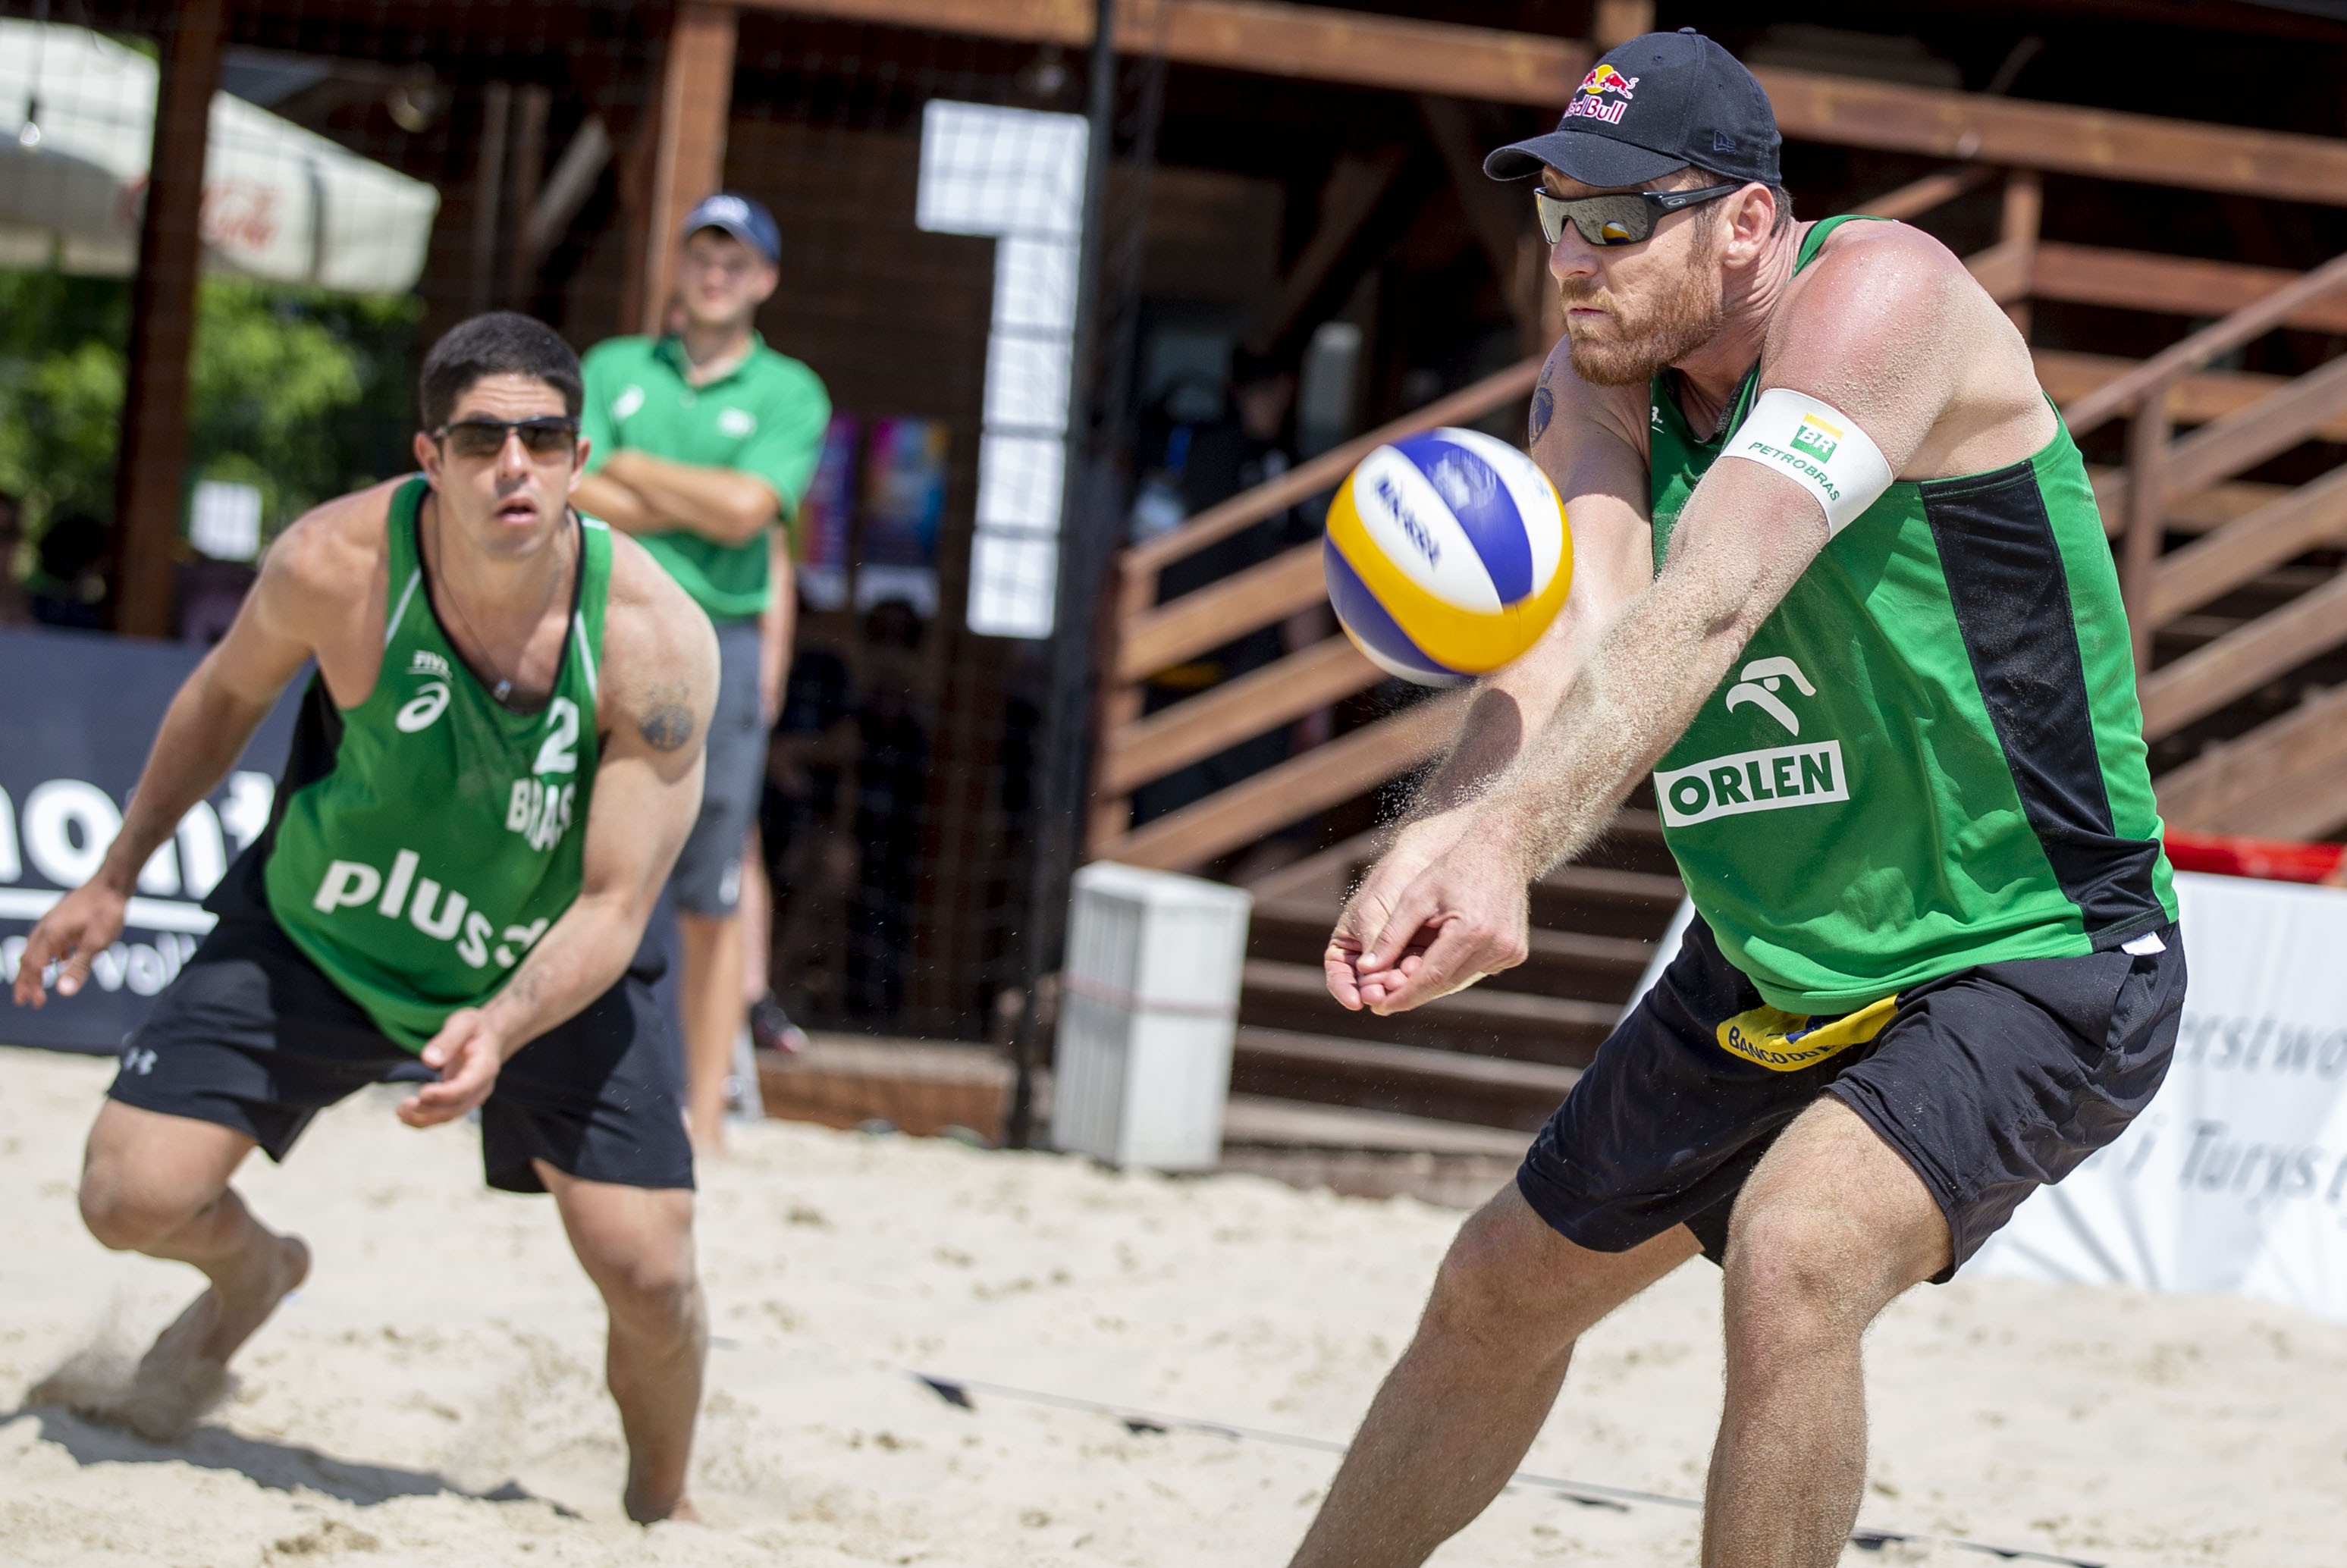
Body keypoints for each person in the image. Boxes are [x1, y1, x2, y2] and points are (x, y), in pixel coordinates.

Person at [1295, 30, 2184, 1568]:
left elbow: (1711, 592)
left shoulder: (1883, 300)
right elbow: (1570, 629)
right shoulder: (1593, 380)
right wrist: (1440, 835)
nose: (1578, 260)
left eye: (1621, 220)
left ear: (1748, 225)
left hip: (2027, 946)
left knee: (1792, 1251)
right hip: (1774, 961)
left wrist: (1509, 846)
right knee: (1494, 1284)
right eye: (1557, 216)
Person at [13, 313, 721, 1524]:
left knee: (647, 1271)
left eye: (542, 438)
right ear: (428, 456)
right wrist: (114, 874)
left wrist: (499, 1027)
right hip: (324, 929)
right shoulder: (335, 564)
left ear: (578, 457)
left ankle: (661, 1513)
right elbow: (221, 696)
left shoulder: (653, 642)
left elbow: (613, 905)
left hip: (537, 969)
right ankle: (257, 1277)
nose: (514, 466)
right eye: (482, 438)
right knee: (126, 1197)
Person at [573, 192, 830, 1151]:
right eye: (701, 254)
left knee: (713, 888)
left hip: (718, 643)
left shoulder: (790, 390)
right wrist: (705, 498)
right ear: (678, 268)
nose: (714, 272)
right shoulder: (610, 365)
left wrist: (635, 473)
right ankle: (547, 1077)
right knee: (573, 860)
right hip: (600, 620)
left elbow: (744, 513)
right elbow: (571, 479)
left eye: (735, 259)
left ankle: (708, 1112)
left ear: (763, 279)